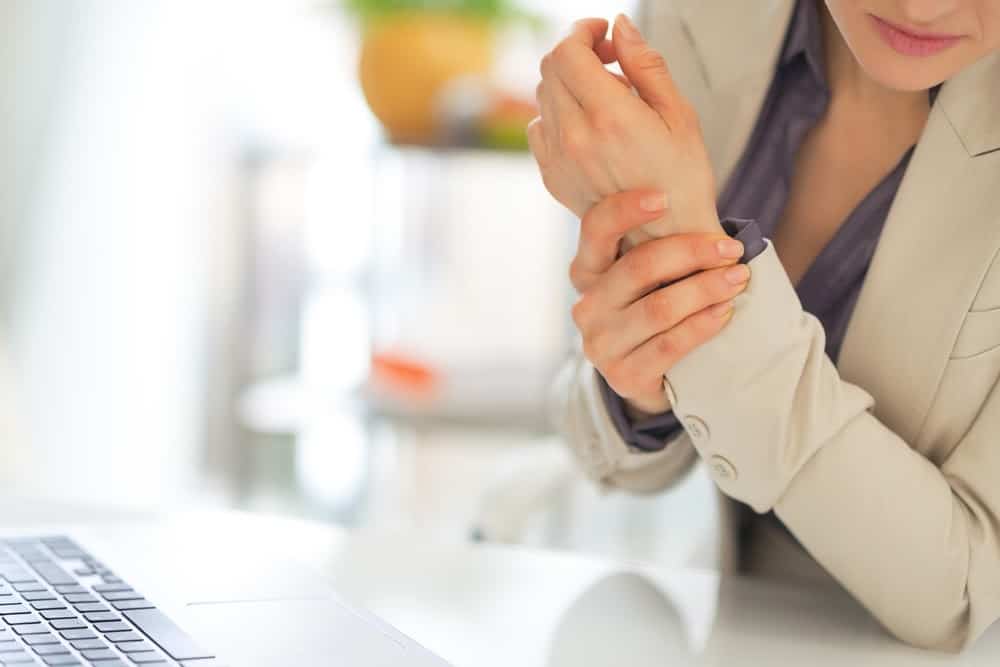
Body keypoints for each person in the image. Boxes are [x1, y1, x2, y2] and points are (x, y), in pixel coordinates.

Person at [528, 0, 1000, 652]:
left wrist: (690, 252)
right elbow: (595, 434)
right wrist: (643, 379)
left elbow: (965, 591)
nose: (921, 7)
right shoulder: (701, 17)